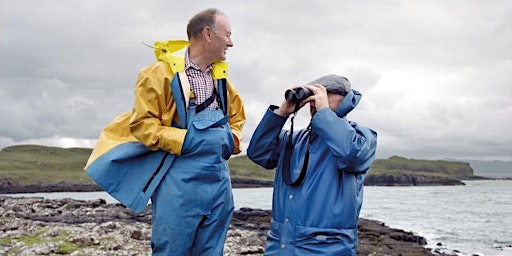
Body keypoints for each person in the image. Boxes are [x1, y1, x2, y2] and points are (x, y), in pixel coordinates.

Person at [84, 8, 245, 255]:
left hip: (220, 183)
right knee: (171, 250)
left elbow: (237, 119)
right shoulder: (159, 74)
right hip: (179, 181)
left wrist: (230, 139)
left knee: (213, 251)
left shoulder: (222, 80)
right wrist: (187, 140)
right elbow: (142, 125)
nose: (231, 43)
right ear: (208, 34)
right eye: (228, 35)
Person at [247, 74, 377, 255]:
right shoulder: (293, 139)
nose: (315, 102)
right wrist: (281, 114)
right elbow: (258, 153)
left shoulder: (361, 138)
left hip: (326, 249)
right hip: (281, 246)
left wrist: (325, 114)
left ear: (345, 100)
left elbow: (352, 155)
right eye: (313, 97)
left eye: (324, 95)